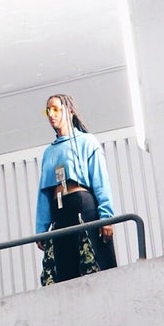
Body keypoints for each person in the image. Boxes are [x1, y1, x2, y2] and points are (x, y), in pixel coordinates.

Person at [36, 93, 117, 285]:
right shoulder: (48, 152)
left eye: (56, 109)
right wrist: (41, 228)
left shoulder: (87, 141)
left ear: (69, 111)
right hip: (59, 211)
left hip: (81, 204)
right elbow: (44, 193)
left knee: (94, 262)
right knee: (65, 272)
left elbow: (100, 180)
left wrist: (106, 217)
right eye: (48, 110)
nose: (51, 114)